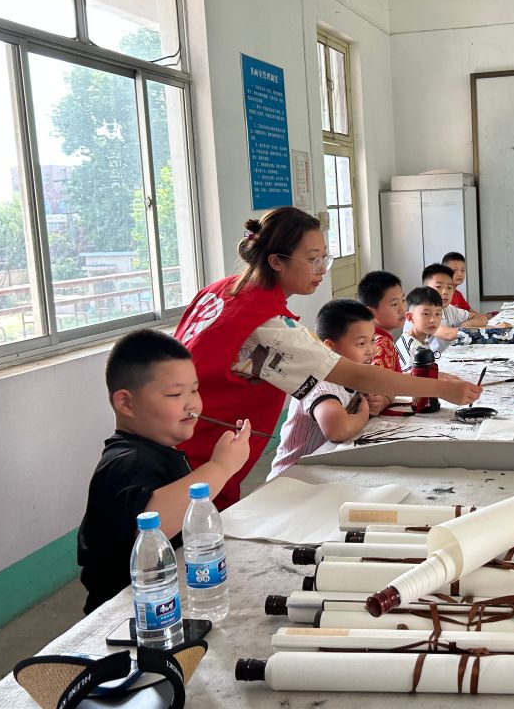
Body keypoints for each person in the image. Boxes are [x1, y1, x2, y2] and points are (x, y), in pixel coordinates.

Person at [174, 209, 481, 511]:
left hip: (178, 435)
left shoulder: (222, 290)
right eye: (312, 260)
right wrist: (439, 389)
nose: (322, 269)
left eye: (325, 257)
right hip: (196, 452)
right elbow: (356, 375)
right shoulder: (267, 325)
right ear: (276, 261)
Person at [77, 330, 252, 613]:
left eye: (194, 390)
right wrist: (221, 466)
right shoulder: (125, 462)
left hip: (168, 598)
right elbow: (151, 523)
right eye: (175, 394)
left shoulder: (159, 451)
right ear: (126, 403)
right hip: (129, 615)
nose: (192, 404)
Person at [268, 300, 381, 478]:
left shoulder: (354, 372)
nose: (371, 350)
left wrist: (382, 400)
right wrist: (364, 413)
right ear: (329, 348)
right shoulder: (319, 382)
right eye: (361, 343)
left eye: (373, 340)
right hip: (292, 479)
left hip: (323, 471)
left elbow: (386, 387)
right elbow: (338, 430)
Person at [357, 270, 405, 374]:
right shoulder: (382, 343)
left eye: (403, 300)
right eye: (395, 304)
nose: (402, 309)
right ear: (371, 312)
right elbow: (381, 382)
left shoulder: (381, 339)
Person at [396, 286, 443, 371]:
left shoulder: (421, 340)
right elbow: (412, 377)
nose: (433, 320)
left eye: (437, 314)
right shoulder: (411, 347)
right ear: (410, 317)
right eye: (426, 314)